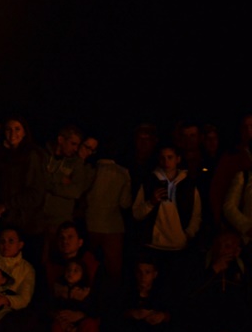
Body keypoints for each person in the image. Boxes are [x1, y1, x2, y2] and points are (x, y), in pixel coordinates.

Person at [132, 143, 202, 295]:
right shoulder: (149, 182)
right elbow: (136, 213)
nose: (166, 161)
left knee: (172, 290)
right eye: (162, 158)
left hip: (178, 246)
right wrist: (151, 202)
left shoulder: (188, 185)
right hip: (153, 245)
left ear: (178, 159)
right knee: (150, 289)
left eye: (170, 157)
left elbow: (196, 214)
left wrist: (188, 234)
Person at [0, 116, 46, 268]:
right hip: (11, 223)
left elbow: (35, 193)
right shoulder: (5, 156)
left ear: (24, 133)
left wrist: (6, 205)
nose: (13, 133)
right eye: (8, 129)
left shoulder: (32, 156)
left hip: (29, 226)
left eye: (17, 129)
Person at [84, 141, 132, 295]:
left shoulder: (89, 170)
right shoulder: (123, 173)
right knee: (113, 271)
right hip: (113, 226)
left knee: (89, 265)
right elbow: (125, 203)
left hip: (91, 223)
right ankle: (113, 299)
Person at [109, 256, 174, 332]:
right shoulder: (127, 291)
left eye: (147, 272)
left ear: (154, 274)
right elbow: (115, 312)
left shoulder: (162, 294)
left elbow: (173, 313)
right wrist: (132, 313)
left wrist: (162, 316)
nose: (143, 277)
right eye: (140, 272)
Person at [41, 125, 87, 264]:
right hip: (38, 220)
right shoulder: (42, 155)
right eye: (73, 144)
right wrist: (61, 180)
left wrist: (51, 182)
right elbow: (38, 180)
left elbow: (75, 191)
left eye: (77, 145)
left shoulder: (76, 163)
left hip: (60, 223)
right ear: (61, 140)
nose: (75, 149)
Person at [48, 258, 99, 332]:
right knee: (56, 327)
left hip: (80, 320)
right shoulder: (58, 288)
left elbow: (94, 309)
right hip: (62, 320)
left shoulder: (86, 291)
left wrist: (81, 314)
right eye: (69, 270)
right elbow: (50, 305)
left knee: (90, 324)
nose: (71, 273)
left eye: (76, 271)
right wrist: (58, 315)